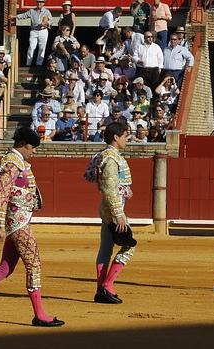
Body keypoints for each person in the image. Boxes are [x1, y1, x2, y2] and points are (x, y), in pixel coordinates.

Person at [0, 127, 65, 327]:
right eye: (32, 147)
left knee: (5, 267)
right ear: (23, 144)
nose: (34, 151)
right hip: (18, 222)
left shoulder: (17, 161)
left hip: (18, 220)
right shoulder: (12, 163)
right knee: (34, 265)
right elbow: (0, 193)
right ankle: (40, 314)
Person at [83, 122, 134, 304]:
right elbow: (110, 189)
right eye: (126, 135)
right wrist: (119, 214)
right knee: (129, 245)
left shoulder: (104, 155)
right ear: (116, 137)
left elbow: (93, 177)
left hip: (107, 208)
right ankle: (107, 285)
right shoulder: (111, 159)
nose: (128, 138)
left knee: (105, 248)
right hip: (113, 210)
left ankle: (100, 290)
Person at [15, 0, 52, 67]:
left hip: (43, 30)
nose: (39, 3)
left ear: (43, 3)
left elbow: (51, 21)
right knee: (31, 47)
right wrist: (15, 17)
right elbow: (24, 15)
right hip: (34, 30)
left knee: (42, 48)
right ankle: (28, 64)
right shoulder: (32, 11)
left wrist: (46, 23)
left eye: (41, 2)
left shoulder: (47, 11)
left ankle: (39, 64)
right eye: (38, 2)